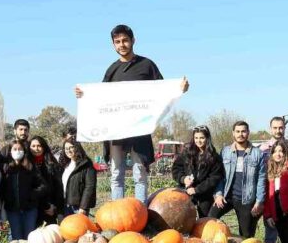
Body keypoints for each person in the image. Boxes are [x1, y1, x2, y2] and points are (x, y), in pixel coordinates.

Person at [74, 24, 189, 203]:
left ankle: (140, 212)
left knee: (139, 173)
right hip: (116, 131)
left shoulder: (147, 65)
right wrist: (84, 95)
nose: (122, 45)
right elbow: (100, 98)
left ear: (133, 40)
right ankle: (118, 211)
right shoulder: (112, 70)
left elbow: (162, 90)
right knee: (116, 174)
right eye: (117, 42)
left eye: (125, 40)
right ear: (113, 45)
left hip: (139, 129)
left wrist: (179, 89)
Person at [210, 121, 266, 239]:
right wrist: (219, 194)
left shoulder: (258, 154)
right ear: (233, 133)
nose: (241, 134)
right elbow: (219, 175)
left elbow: (261, 179)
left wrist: (259, 200)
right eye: (238, 131)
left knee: (246, 235)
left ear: (248, 133)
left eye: (243, 131)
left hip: (246, 199)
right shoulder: (225, 152)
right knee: (210, 219)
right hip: (227, 196)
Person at [259, 116, 288, 243]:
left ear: (284, 128)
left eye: (281, 128)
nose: (278, 130)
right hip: (271, 196)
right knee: (270, 236)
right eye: (275, 128)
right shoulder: (263, 149)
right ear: (270, 129)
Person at [171, 126, 225, 218]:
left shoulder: (214, 157)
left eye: (202, 138)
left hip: (204, 194)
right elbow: (176, 168)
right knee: (181, 217)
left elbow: (214, 179)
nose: (198, 141)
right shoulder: (187, 153)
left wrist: (196, 190)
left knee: (204, 221)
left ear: (207, 138)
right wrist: (183, 179)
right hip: (185, 190)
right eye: (196, 138)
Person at [1, 140, 46, 239]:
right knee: (16, 238)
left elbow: (42, 185)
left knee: (30, 237)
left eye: (20, 149)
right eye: (15, 149)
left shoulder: (30, 166)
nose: (17, 151)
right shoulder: (6, 168)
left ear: (24, 151)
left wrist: (32, 195)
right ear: (10, 152)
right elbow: (1, 188)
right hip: (12, 210)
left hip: (29, 209)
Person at [30, 135, 63, 225]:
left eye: (39, 146)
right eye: (33, 146)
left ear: (43, 147)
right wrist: (45, 206)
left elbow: (58, 186)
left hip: (51, 206)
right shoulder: (27, 165)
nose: (36, 149)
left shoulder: (51, 163)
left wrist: (54, 206)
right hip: (34, 207)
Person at [61, 140, 97, 215]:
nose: (68, 151)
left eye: (71, 147)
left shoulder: (86, 165)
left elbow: (90, 187)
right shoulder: (65, 165)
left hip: (78, 208)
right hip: (64, 205)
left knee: (78, 227)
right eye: (66, 149)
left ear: (77, 148)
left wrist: (83, 207)